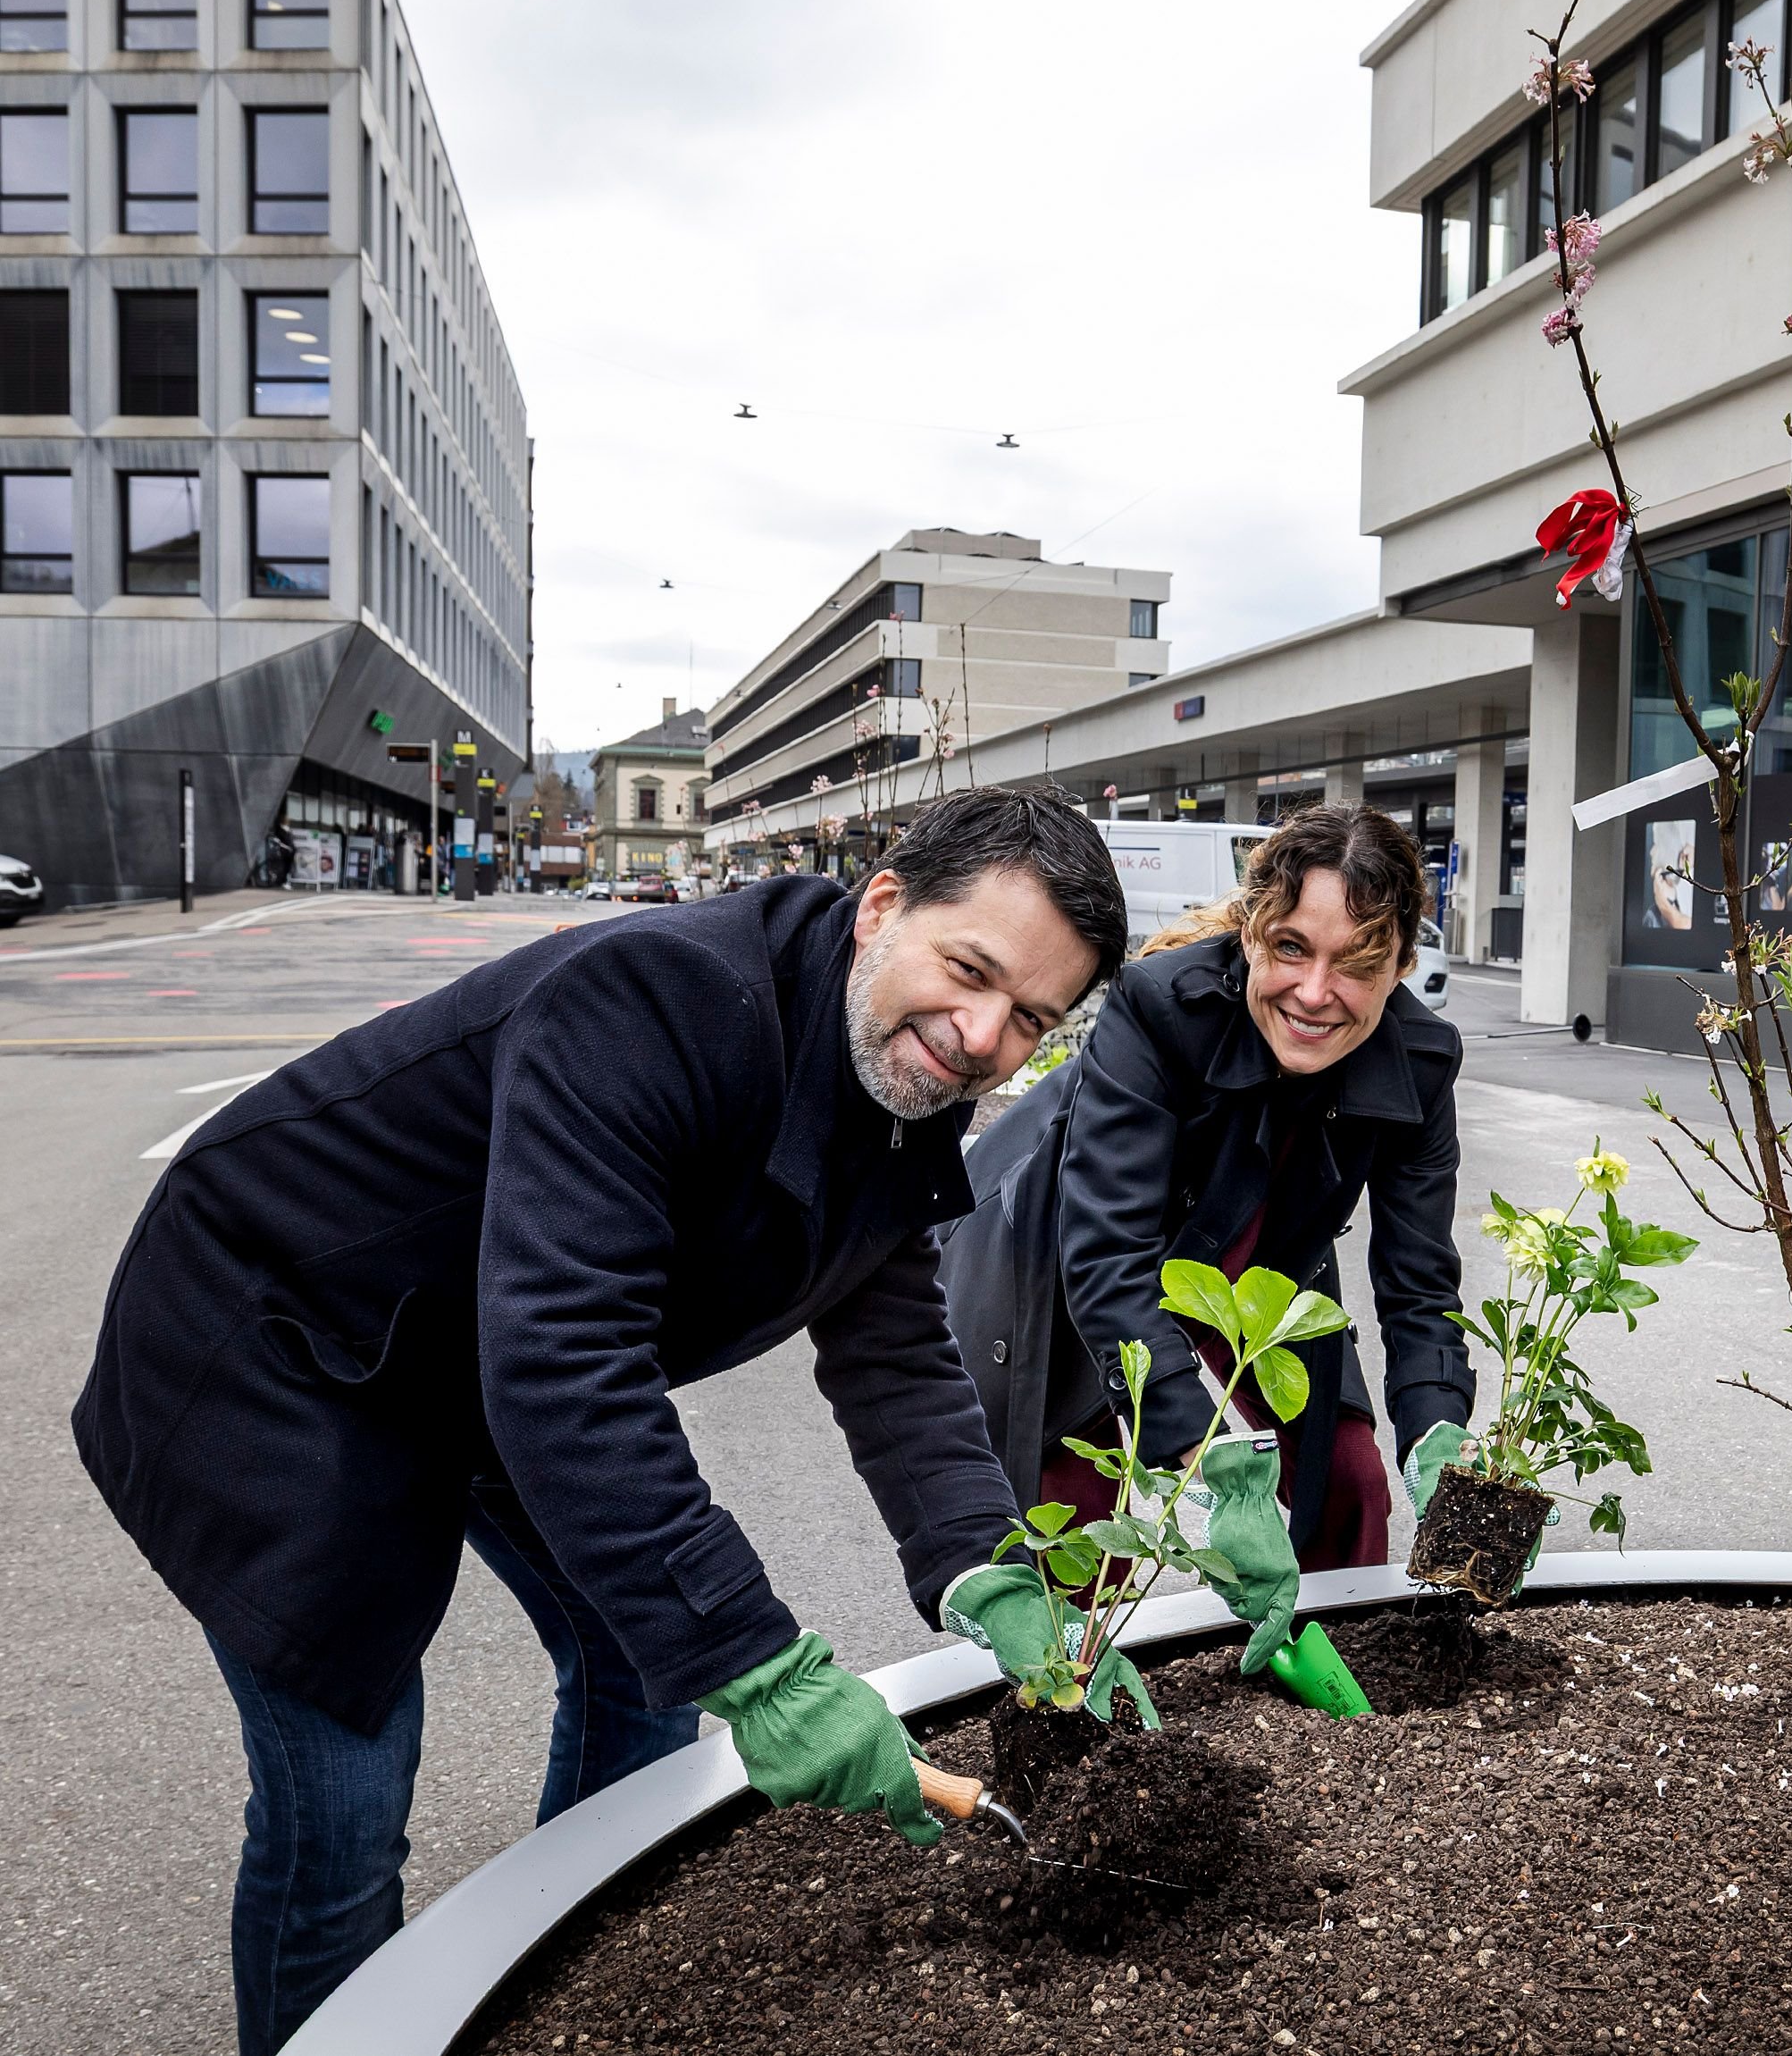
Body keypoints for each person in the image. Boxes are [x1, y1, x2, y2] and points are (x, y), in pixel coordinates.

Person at [71, 786, 1143, 2055]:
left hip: (482, 1344)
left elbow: (894, 1345)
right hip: (281, 1331)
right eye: (969, 971)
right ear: (882, 905)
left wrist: (987, 1567)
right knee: (347, 1785)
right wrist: (762, 1664)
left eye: (1032, 1018)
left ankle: (564, 1981)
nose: (981, 1036)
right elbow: (568, 1359)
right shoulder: (659, 999)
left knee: (642, 1663)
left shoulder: (903, 1075)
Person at [942, 804, 1475, 1571]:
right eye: (1291, 947)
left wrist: (1437, 1426)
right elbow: (1108, 1255)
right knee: (1080, 1526)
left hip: (1256, 1267)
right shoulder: (1161, 1008)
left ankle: (1328, 1639)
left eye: (1359, 963)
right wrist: (1204, 1450)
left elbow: (1419, 1281)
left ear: (1399, 969)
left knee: (1348, 1481)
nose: (1315, 993)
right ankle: (1075, 1649)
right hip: (1071, 1254)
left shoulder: (1419, 1063)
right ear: (1251, 933)